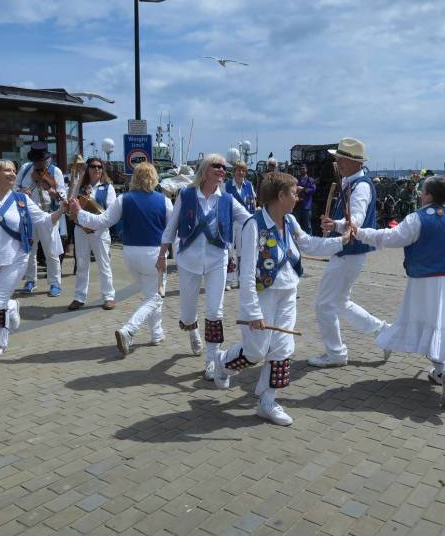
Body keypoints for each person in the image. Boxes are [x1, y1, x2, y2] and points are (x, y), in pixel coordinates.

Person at [213, 172, 350, 424]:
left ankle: (267, 402)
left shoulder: (290, 221)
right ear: (280, 195)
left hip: (288, 293)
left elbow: (309, 244)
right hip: (262, 295)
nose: (298, 198)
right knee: (255, 351)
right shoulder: (254, 225)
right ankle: (222, 363)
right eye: (294, 193)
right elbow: (246, 273)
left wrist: (341, 241)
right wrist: (252, 312)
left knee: (283, 347)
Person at [351, 176, 445, 407]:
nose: (421, 195)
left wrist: (360, 233)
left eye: (423, 192)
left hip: (426, 281)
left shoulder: (418, 218)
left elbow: (390, 238)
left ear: (429, 195)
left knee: (431, 327)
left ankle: (441, 370)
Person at [0, 160, 67, 358]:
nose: (13, 174)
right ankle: (12, 306)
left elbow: (44, 219)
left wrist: (61, 211)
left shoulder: (21, 199)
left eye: (14, 171)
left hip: (16, 259)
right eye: (7, 170)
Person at [158, 154, 251, 382]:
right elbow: (171, 227)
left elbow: (250, 220)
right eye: (216, 166)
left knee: (215, 312)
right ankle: (192, 329)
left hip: (217, 260)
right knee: (187, 312)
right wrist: (162, 255)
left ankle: (212, 361)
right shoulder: (186, 195)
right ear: (205, 169)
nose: (222, 170)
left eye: (224, 167)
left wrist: (275, 221)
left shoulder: (227, 199)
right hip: (188, 261)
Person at [71, 162, 172, 357]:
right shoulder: (164, 201)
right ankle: (129, 330)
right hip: (154, 254)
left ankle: (156, 333)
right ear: (154, 178)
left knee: (150, 295)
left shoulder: (123, 199)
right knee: (156, 297)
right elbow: (172, 230)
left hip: (130, 254)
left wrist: (80, 212)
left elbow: (102, 221)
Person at [309, 137, 387, 368]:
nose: (338, 162)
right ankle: (383, 332)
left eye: (341, 158)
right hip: (349, 253)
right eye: (338, 158)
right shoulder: (351, 182)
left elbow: (356, 222)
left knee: (324, 305)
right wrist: (334, 224)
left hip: (348, 253)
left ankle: (336, 353)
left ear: (355, 162)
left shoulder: (360, 186)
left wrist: (335, 225)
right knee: (340, 302)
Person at [16, 143, 66, 296]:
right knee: (30, 251)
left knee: (51, 251)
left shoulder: (55, 171)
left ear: (46, 159)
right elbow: (14, 188)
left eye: (41, 161)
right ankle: (30, 280)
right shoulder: (25, 169)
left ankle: (55, 283)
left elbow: (63, 196)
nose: (38, 164)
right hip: (28, 215)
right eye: (36, 161)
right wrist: (22, 191)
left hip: (48, 215)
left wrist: (52, 192)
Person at [68, 157, 116, 311]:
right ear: (87, 169)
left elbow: (111, 212)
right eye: (93, 166)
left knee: (104, 264)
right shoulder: (80, 186)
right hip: (80, 229)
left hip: (99, 231)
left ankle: (109, 297)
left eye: (99, 167)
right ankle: (79, 297)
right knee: (81, 264)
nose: (97, 169)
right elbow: (72, 203)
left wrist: (97, 224)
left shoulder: (108, 188)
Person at [225, 160, 257, 289]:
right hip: (230, 222)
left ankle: (240, 278)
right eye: (238, 170)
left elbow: (253, 201)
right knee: (229, 251)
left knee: (242, 252)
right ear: (234, 171)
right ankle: (228, 280)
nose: (241, 172)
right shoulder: (227, 185)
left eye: (243, 170)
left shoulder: (249, 185)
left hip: (244, 222)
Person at [294, 165, 316, 234]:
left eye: (303, 169)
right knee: (296, 225)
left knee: (308, 226)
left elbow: (313, 190)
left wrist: (303, 189)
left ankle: (309, 239)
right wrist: (297, 188)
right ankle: (297, 239)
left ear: (306, 170)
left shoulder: (311, 180)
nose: (302, 170)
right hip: (297, 206)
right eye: (301, 169)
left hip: (306, 206)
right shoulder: (296, 180)